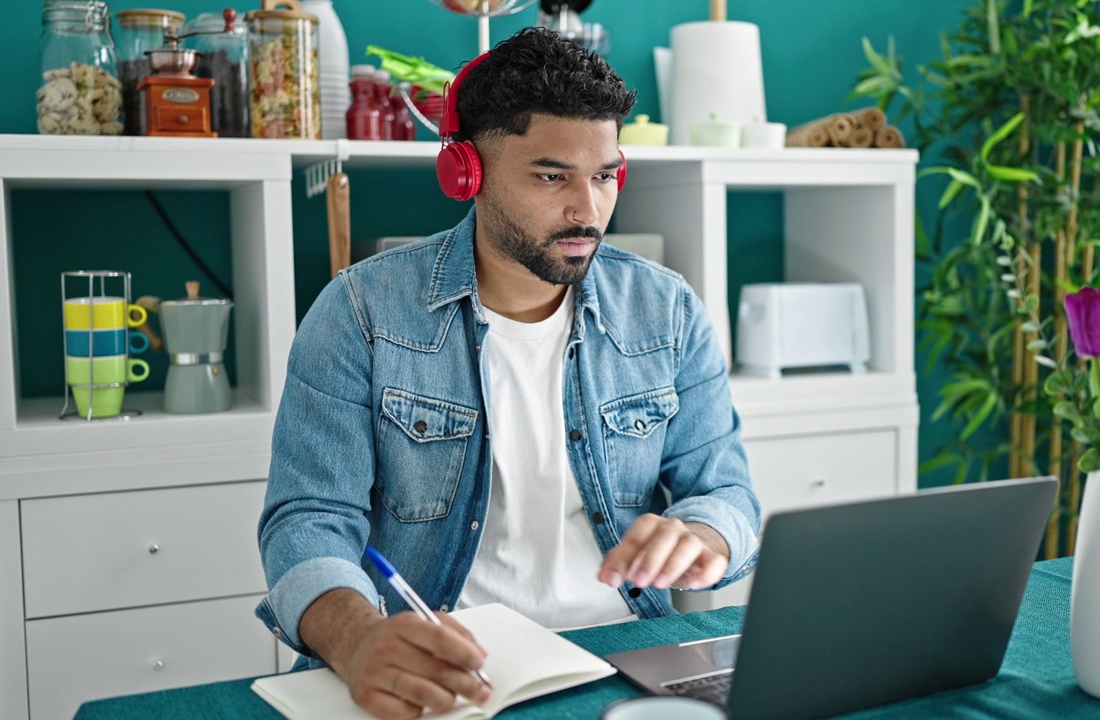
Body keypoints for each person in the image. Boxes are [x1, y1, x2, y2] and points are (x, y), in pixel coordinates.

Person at [256, 27, 760, 719]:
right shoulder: (359, 313)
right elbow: (308, 519)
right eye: (552, 176)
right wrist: (357, 637)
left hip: (625, 655)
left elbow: (728, 493)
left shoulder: (666, 309)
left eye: (606, 175)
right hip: (443, 669)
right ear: (467, 172)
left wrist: (703, 536)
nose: (589, 209)